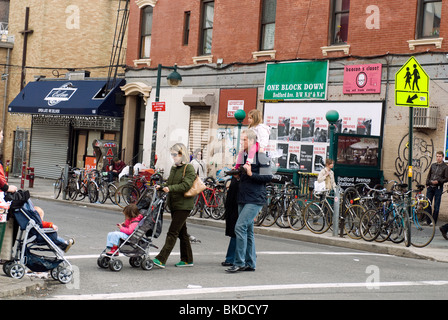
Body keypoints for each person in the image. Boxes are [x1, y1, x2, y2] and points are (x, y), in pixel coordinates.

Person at [226, 129, 272, 273]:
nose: (242, 142)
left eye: (245, 140)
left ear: (252, 141)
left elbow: (268, 177)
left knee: (240, 227)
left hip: (255, 197)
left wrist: (251, 174)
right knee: (248, 231)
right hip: (243, 196)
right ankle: (250, 263)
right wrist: (238, 175)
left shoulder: (261, 156)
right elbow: (244, 174)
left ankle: (239, 262)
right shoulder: (245, 156)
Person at [153, 143, 196, 269]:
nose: (173, 157)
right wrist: (162, 187)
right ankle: (187, 259)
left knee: (172, 232)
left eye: (175, 155)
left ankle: (161, 258)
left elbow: (186, 185)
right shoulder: (174, 168)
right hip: (174, 204)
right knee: (182, 233)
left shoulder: (189, 168)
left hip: (184, 205)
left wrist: (169, 188)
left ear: (182, 154)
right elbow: (170, 182)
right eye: (172, 155)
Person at [425, 151, 448, 226]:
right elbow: (429, 175)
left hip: (438, 188)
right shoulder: (433, 165)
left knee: (436, 206)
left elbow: (446, 178)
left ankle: (433, 222)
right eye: (437, 156)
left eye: (440, 156)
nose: (438, 158)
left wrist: (438, 181)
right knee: (428, 204)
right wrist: (427, 183)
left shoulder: (445, 167)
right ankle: (428, 221)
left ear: (443, 157)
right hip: (430, 187)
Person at [221, 176, 239, 267]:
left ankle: (231, 258)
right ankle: (248, 255)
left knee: (237, 230)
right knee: (239, 231)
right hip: (234, 202)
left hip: (239, 202)